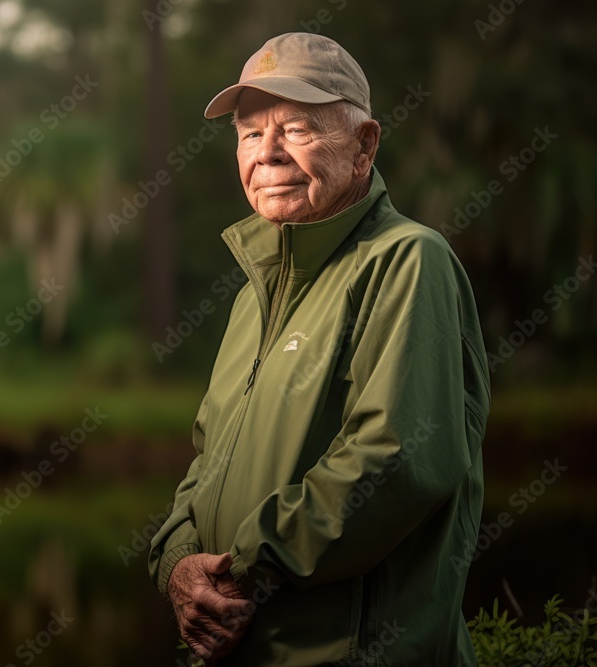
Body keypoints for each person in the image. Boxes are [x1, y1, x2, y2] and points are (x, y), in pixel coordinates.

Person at [147, 32, 490, 666]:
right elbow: (207, 457)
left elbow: (395, 461)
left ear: (365, 145)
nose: (268, 154)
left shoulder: (408, 261)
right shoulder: (255, 290)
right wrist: (177, 563)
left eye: (298, 129)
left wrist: (239, 566)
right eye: (250, 134)